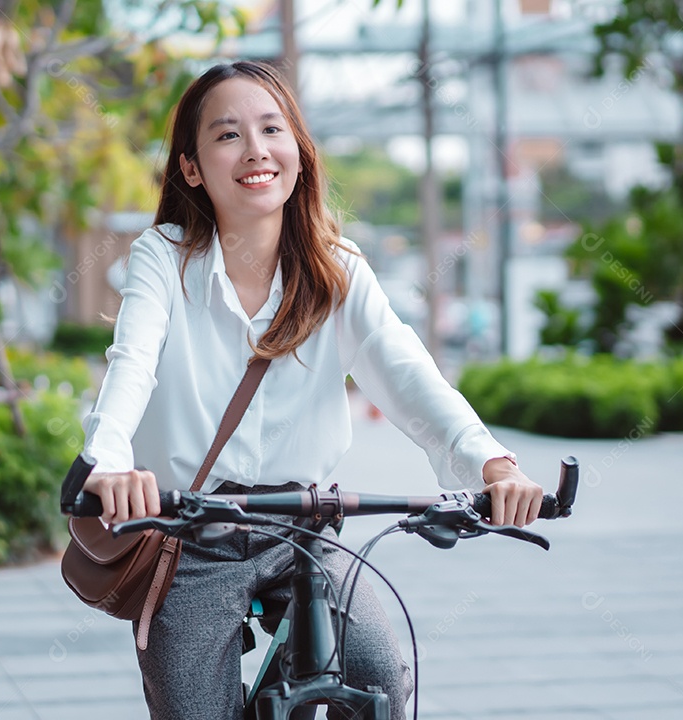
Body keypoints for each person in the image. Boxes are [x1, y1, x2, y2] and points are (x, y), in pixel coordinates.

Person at [78, 60, 543, 720]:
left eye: (272, 128)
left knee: (381, 675)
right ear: (191, 167)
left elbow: (408, 375)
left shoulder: (338, 270)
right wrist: (110, 462)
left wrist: (491, 463)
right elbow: (132, 364)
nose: (256, 150)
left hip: (306, 525)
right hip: (193, 531)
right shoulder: (164, 257)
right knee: (192, 708)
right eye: (227, 135)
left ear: (298, 150)